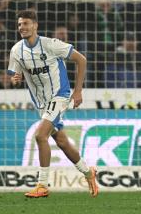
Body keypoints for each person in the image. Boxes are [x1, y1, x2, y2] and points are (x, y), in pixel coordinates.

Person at [7, 10, 98, 198]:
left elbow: (81, 60)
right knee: (62, 141)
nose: (22, 28)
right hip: (41, 103)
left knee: (40, 136)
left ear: (35, 25)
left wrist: (78, 91)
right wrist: (16, 77)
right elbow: (14, 74)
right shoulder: (16, 50)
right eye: (19, 25)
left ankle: (42, 184)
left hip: (59, 95)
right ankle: (89, 173)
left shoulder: (51, 45)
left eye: (25, 23)